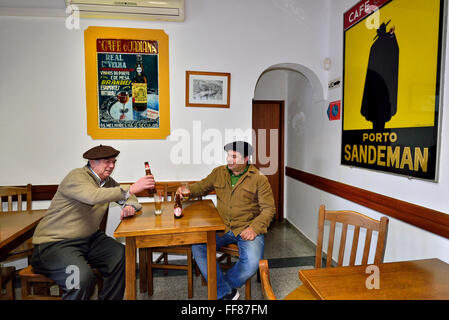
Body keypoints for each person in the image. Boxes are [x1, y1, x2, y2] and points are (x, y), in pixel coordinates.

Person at [31, 145, 155, 300]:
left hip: (90, 239)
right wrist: (132, 188)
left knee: (122, 255)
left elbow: (129, 198)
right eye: (107, 161)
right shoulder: (76, 176)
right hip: (55, 244)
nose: (111, 166)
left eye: (114, 162)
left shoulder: (107, 182)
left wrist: (130, 205)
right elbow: (93, 196)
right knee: (80, 279)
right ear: (92, 162)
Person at [180, 141, 275, 300]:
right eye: (228, 155)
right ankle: (225, 292)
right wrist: (187, 190)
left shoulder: (259, 178)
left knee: (252, 262)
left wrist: (254, 228)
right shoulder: (219, 172)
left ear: (245, 159)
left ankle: (221, 286)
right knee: (197, 245)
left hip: (247, 228)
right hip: (221, 228)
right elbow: (201, 186)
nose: (229, 159)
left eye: (233, 156)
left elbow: (269, 209)